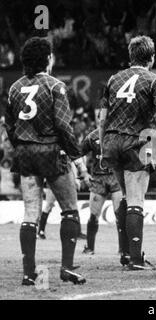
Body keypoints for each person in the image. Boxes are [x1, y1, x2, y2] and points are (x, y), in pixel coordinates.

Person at [99, 35, 156, 270]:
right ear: (152, 57)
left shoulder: (113, 79)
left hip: (111, 141)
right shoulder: (153, 80)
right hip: (136, 142)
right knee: (136, 199)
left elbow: (102, 119)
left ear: (130, 55)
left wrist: (101, 147)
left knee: (126, 196)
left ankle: (126, 254)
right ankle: (136, 259)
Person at [5, 37, 86, 285]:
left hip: (25, 154)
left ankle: (29, 273)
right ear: (47, 59)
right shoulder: (56, 86)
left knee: (30, 213)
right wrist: (79, 162)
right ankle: (67, 268)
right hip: (51, 152)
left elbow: (9, 127)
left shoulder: (14, 88)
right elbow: (63, 126)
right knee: (70, 209)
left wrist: (22, 148)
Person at [81, 128, 123, 255]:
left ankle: (123, 249)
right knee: (93, 215)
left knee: (120, 215)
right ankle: (89, 248)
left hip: (116, 176)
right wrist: (84, 172)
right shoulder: (92, 137)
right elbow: (77, 153)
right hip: (99, 178)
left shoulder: (121, 134)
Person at [37, 160, 90, 240]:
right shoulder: (70, 150)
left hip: (65, 180)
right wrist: (75, 179)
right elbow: (71, 165)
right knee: (49, 205)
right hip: (57, 180)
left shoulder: (81, 154)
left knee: (73, 205)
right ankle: (41, 231)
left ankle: (77, 232)